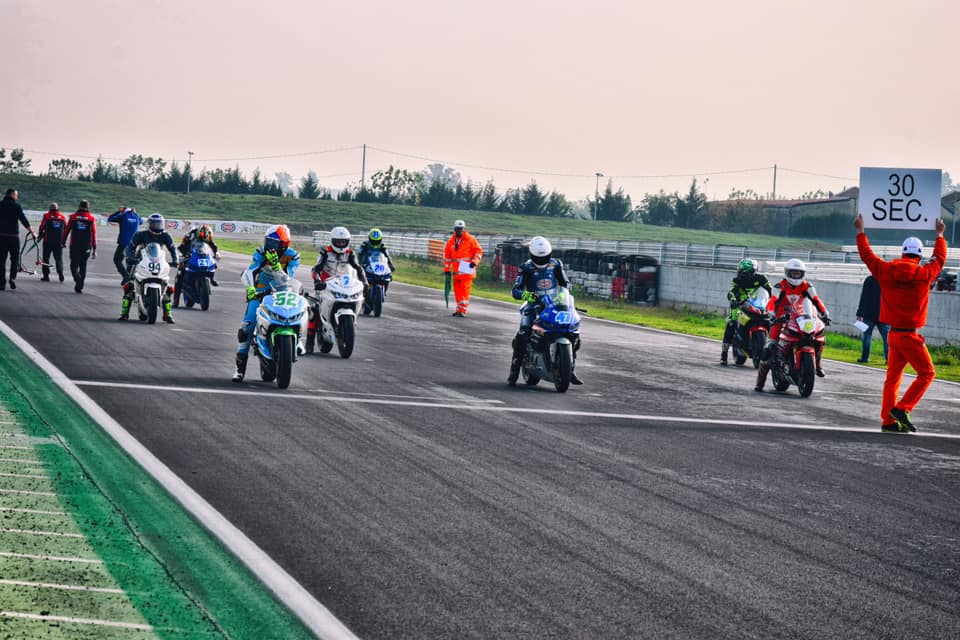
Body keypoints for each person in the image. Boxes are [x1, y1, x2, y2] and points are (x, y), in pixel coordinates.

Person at [855, 214, 947, 433]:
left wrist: (860, 232)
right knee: (927, 373)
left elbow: (867, 256)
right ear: (919, 256)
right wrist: (940, 235)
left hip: (893, 335)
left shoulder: (886, 270)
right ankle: (903, 408)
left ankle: (888, 422)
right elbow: (939, 259)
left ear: (902, 253)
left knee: (892, 379)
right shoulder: (924, 273)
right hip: (910, 336)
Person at [507, 236, 582, 386]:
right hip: (534, 305)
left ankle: (570, 368)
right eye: (538, 258)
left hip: (554, 303)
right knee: (524, 334)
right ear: (531, 255)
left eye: (544, 257)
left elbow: (565, 283)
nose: (541, 260)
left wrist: (564, 296)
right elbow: (515, 291)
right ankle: (514, 371)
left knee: (572, 331)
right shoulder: (526, 268)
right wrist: (531, 296)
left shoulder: (556, 264)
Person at [232, 225, 301, 382]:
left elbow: (287, 279)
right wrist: (250, 288)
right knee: (247, 327)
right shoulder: (261, 252)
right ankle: (239, 370)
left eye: (273, 243)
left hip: (283, 292)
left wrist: (276, 267)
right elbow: (250, 271)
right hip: (261, 292)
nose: (269, 245)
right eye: (268, 241)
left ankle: (300, 341)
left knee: (298, 312)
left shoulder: (293, 257)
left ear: (284, 244)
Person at [754, 258, 831, 392]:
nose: (795, 276)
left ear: (802, 274)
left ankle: (817, 365)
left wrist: (824, 313)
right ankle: (760, 383)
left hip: (801, 319)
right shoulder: (780, 286)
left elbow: (816, 300)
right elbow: (773, 300)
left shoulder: (807, 286)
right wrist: (771, 313)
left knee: (818, 338)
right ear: (787, 273)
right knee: (769, 349)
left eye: (798, 273)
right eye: (793, 273)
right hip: (781, 320)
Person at [119, 213, 177, 322]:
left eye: (159, 224)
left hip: (158, 261)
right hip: (140, 260)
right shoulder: (141, 234)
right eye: (154, 224)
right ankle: (124, 313)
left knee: (168, 287)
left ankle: (167, 314)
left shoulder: (166, 235)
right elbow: (130, 246)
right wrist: (130, 257)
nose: (157, 226)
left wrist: (175, 260)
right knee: (129, 285)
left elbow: (173, 248)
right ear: (149, 224)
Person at [721, 259, 773, 365]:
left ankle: (772, 351)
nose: (742, 274)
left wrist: (770, 300)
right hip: (740, 305)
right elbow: (731, 291)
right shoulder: (736, 281)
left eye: (745, 273)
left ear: (752, 272)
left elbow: (769, 290)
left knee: (773, 321)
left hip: (757, 305)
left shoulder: (761, 278)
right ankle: (724, 353)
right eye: (741, 272)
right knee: (731, 323)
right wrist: (733, 300)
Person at [443, 219, 483, 317]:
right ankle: (459, 308)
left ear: (464, 229)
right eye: (458, 229)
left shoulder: (471, 240)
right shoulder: (450, 242)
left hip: (467, 271)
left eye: (461, 229)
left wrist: (474, 262)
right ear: (455, 229)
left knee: (464, 290)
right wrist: (447, 270)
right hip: (456, 272)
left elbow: (478, 252)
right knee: (457, 292)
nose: (460, 230)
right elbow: (447, 257)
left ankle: (462, 310)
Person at [174, 224, 220, 306]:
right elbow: (181, 246)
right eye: (202, 238)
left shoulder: (207, 236)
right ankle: (176, 301)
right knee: (179, 275)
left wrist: (216, 253)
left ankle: (212, 279)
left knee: (214, 264)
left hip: (200, 255)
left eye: (206, 239)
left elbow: (213, 246)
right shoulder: (190, 235)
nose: (204, 239)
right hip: (189, 254)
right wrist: (185, 254)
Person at [0, 188, 34, 291]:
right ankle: (12, 278)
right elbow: (23, 220)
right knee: (15, 259)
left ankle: (1, 283)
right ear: (12, 195)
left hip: (1, 237)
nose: (17, 197)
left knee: (1, 261)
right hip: (13, 237)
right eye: (16, 195)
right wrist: (32, 232)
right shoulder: (16, 206)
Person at [62, 200, 98, 293]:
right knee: (83, 265)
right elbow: (94, 234)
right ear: (88, 207)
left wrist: (63, 242)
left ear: (79, 206)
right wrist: (94, 248)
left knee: (73, 265)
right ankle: (79, 285)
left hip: (75, 245)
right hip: (86, 246)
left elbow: (66, 230)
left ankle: (78, 279)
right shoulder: (91, 218)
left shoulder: (73, 217)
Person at [855, 274, 888, 363]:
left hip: (869, 314)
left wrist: (859, 313)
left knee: (867, 335)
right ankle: (889, 359)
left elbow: (864, 297)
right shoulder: (887, 279)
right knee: (887, 338)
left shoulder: (869, 280)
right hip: (883, 314)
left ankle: (865, 358)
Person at [107, 206, 142, 280]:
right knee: (130, 261)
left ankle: (126, 276)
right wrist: (135, 213)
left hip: (123, 243)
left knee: (117, 260)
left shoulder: (123, 215)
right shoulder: (136, 216)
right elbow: (141, 222)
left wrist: (118, 212)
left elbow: (110, 219)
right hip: (133, 244)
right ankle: (129, 278)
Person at [37, 203, 67, 282]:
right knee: (58, 258)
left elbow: (42, 227)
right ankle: (60, 272)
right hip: (59, 241)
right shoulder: (62, 217)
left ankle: (46, 276)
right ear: (57, 208)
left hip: (48, 241)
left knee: (46, 258)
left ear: (50, 208)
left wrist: (40, 235)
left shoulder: (46, 216)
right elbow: (65, 228)